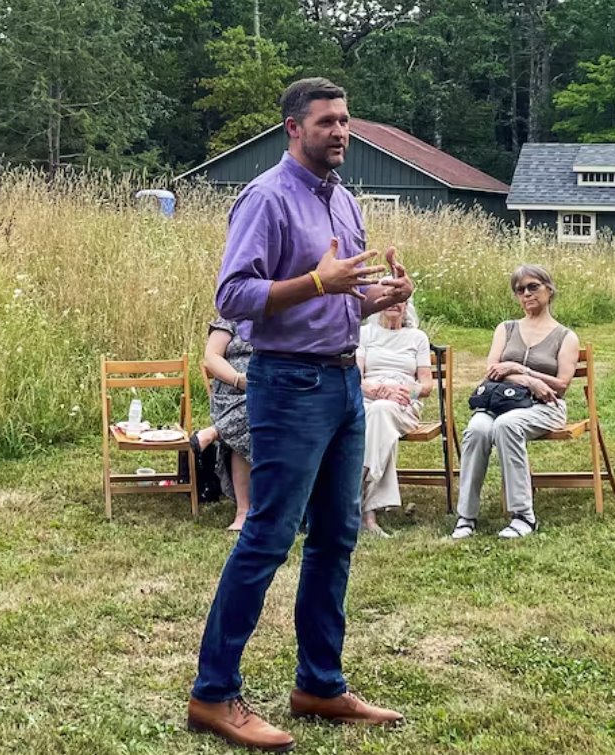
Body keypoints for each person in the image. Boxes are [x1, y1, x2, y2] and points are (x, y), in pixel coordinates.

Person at [187, 78, 413, 752]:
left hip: (346, 381)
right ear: (293, 128)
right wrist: (317, 280)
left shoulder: (344, 201)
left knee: (337, 535)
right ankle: (212, 693)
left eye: (346, 121)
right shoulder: (266, 197)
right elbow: (236, 294)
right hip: (288, 386)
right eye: (326, 122)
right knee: (266, 537)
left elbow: (338, 300)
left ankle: (319, 681)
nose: (340, 132)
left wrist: (379, 298)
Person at [450, 264, 580, 539]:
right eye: (520, 290)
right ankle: (466, 516)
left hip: (545, 407)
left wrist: (521, 370)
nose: (527, 294)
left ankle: (523, 515)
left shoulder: (565, 336)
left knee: (507, 426)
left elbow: (561, 385)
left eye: (533, 287)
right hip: (500, 401)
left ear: (549, 289)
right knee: (477, 429)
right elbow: (492, 371)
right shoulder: (506, 329)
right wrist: (526, 379)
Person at [357, 299, 433, 537]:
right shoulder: (365, 334)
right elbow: (354, 376)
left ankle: (355, 486)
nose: (394, 304)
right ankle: (369, 514)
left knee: (381, 412)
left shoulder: (417, 337)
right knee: (378, 420)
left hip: (403, 404)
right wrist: (371, 387)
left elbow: (427, 385)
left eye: (401, 300)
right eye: (389, 299)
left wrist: (405, 390)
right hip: (368, 399)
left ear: (407, 306)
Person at [190, 318, 253, 531]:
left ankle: (216, 431)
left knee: (261, 402)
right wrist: (237, 379)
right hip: (231, 392)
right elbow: (211, 357)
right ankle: (243, 512)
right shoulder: (231, 317)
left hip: (271, 389)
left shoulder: (285, 313)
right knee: (255, 410)